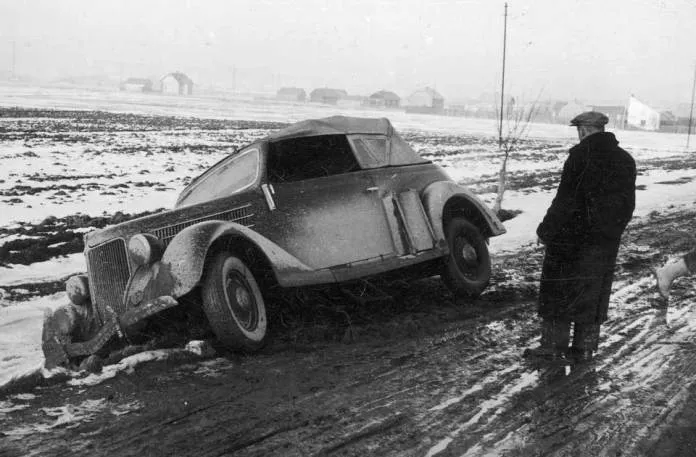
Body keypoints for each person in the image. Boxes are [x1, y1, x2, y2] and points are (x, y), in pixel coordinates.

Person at [525, 111, 636, 363]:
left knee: (559, 289)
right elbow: (627, 205)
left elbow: (566, 200)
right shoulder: (625, 160)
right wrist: (611, 232)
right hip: (604, 240)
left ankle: (553, 347)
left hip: (572, 239)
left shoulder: (580, 156)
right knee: (593, 291)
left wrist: (546, 231)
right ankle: (584, 348)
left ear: (583, 130)